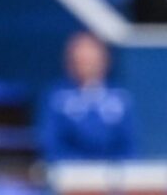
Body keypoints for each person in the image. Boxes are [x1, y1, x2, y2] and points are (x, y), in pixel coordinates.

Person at [36, 32, 136, 163]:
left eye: (91, 61)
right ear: (70, 62)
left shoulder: (120, 98)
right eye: (81, 60)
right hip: (69, 174)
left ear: (105, 62)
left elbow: (130, 145)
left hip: (112, 175)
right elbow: (51, 143)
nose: (86, 66)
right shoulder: (56, 98)